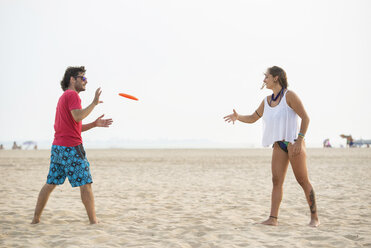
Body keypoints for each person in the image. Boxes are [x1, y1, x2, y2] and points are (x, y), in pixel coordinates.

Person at [224, 66, 320, 227]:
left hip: (293, 143)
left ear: (276, 78)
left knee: (302, 180)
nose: (264, 80)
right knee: (276, 181)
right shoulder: (267, 101)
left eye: (266, 77)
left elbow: (306, 118)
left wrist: (299, 139)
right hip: (278, 145)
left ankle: (315, 218)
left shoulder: (290, 96)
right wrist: (238, 117)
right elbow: (253, 117)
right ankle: (273, 219)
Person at [31, 66, 113, 224]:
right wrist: (94, 103)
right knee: (86, 184)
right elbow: (77, 117)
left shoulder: (64, 97)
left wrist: (94, 124)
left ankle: (35, 219)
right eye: (82, 78)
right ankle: (94, 221)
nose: (85, 81)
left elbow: (75, 127)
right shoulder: (73, 95)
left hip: (58, 148)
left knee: (50, 184)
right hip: (71, 148)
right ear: (72, 79)